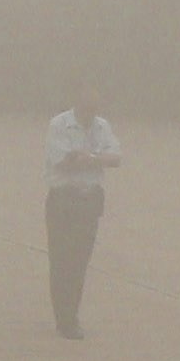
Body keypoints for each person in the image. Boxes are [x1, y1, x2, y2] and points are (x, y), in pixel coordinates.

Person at [43, 102, 122, 336]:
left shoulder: (102, 126)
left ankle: (72, 315)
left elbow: (117, 158)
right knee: (61, 261)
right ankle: (64, 319)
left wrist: (86, 157)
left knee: (80, 261)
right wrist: (98, 158)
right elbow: (64, 162)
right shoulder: (59, 124)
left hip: (90, 200)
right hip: (63, 199)